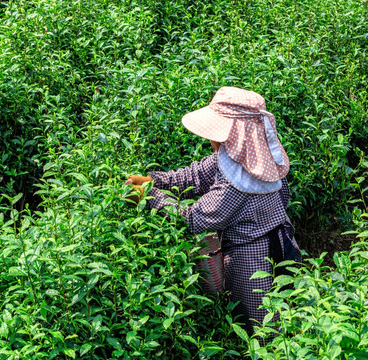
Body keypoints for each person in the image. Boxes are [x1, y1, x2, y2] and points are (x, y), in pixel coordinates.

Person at [125, 87, 302, 335]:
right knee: (282, 312)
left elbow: (192, 219)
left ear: (235, 132)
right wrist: (154, 180)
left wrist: (150, 196)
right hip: (281, 240)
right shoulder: (253, 153)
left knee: (262, 330)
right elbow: (195, 176)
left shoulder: (238, 182)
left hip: (253, 259)